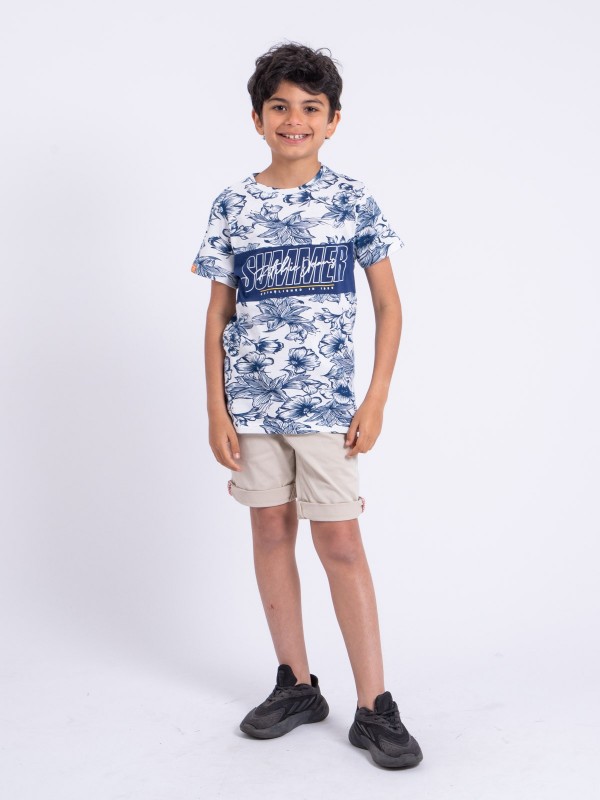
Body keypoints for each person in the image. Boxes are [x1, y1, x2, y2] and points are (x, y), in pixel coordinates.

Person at [190, 42, 423, 769]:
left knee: (340, 543)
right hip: (252, 407)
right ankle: (296, 684)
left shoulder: (352, 200)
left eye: (310, 108)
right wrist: (217, 409)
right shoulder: (234, 205)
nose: (294, 119)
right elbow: (217, 315)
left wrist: (375, 397)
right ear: (258, 119)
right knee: (269, 531)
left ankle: (375, 705)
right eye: (280, 106)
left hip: (328, 408)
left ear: (333, 120)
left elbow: (389, 306)